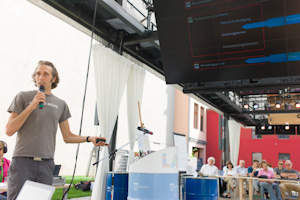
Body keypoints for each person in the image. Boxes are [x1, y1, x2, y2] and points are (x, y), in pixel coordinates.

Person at [6, 61, 107, 200]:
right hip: (23, 162)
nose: (40, 77)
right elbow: (9, 130)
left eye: (45, 74)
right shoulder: (23, 97)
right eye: (38, 74)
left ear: (53, 79)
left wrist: (89, 138)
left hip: (47, 164)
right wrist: (31, 106)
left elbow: (68, 136)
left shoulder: (61, 104)